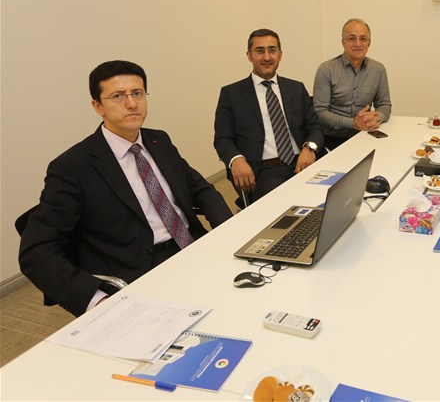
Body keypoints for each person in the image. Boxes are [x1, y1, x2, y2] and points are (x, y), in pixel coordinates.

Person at [18, 61, 233, 316]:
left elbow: (199, 189)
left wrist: (230, 230)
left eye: (137, 93)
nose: (131, 104)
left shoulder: (159, 140)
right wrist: (96, 301)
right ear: (98, 106)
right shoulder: (73, 166)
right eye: (118, 96)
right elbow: (36, 251)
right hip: (139, 270)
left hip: (193, 245)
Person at [214, 29, 324, 204]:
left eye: (272, 50)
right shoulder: (232, 94)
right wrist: (236, 160)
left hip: (302, 162)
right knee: (288, 205)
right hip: (264, 172)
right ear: (249, 56)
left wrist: (309, 148)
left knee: (334, 195)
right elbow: (222, 138)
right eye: (260, 51)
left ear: (280, 55)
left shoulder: (296, 88)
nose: (267, 57)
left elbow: (315, 127)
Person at [313, 18, 391, 150]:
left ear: (369, 43)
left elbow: (384, 104)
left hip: (365, 135)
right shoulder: (326, 69)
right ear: (343, 42)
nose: (358, 44)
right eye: (352, 38)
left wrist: (377, 117)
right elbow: (320, 112)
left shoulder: (378, 69)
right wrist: (353, 123)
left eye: (363, 39)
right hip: (332, 139)